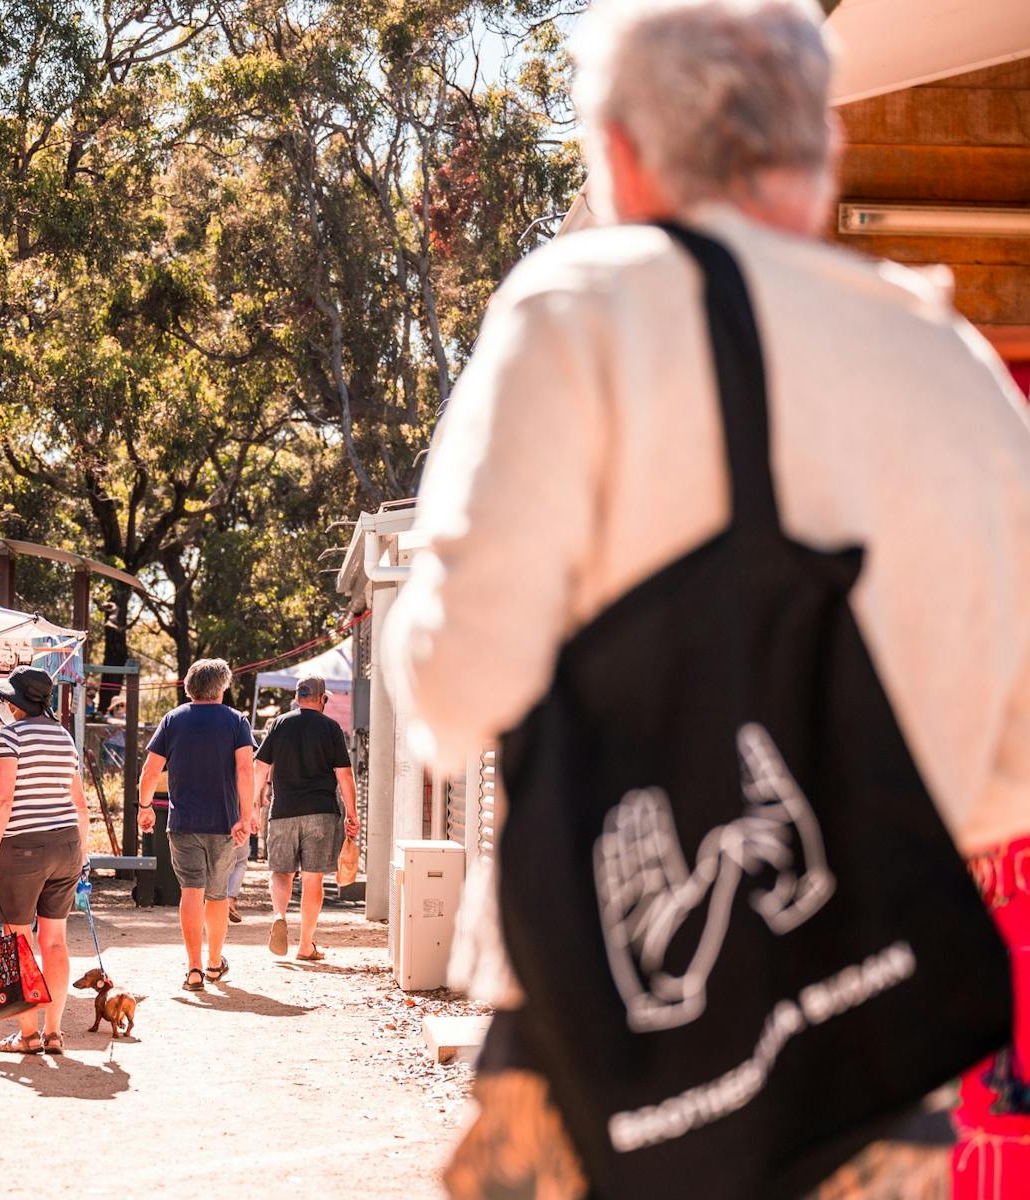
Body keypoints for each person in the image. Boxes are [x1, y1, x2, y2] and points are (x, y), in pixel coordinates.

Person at [382, 1, 1030, 1195]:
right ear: (822, 147)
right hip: (870, 1079)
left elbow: (457, 689)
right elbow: (1007, 777)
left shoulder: (579, 311)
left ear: (618, 151)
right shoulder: (962, 371)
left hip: (606, 1061)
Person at [0, 666, 89, 1055]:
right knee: (55, 941)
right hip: (67, 845)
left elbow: (3, 801)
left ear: (14, 701)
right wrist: (83, 855)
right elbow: (80, 804)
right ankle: (54, 1032)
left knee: (17, 940)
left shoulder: (9, 737)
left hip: (22, 848)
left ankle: (27, 1035)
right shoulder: (64, 737)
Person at [137, 658, 254, 992]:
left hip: (183, 821)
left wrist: (145, 807)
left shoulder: (173, 720)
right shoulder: (237, 722)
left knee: (191, 890)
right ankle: (215, 962)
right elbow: (246, 770)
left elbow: (150, 770)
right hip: (225, 823)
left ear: (190, 687)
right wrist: (245, 817)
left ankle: (194, 969)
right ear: (222, 688)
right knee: (216, 895)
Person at [254, 675, 357, 961]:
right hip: (321, 812)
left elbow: (260, 767)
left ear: (298, 697)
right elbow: (344, 775)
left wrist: (255, 803)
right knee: (313, 879)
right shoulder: (331, 728)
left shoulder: (279, 724)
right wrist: (352, 813)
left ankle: (279, 914)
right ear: (322, 698)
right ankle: (305, 945)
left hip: (284, 810)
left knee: (281, 871)